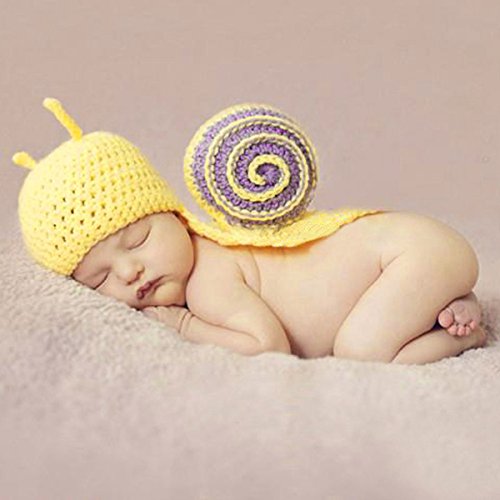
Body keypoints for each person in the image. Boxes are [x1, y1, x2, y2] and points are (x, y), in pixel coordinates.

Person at [13, 98, 486, 363]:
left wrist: (182, 325)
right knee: (374, 327)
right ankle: (443, 305)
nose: (129, 272)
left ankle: (464, 335)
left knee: (361, 351)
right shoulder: (200, 266)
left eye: (137, 240)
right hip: (415, 256)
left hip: (407, 255)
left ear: (173, 214)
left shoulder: (209, 278)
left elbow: (266, 344)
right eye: (99, 279)